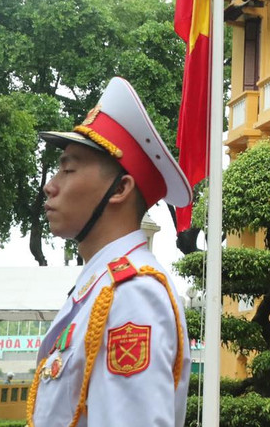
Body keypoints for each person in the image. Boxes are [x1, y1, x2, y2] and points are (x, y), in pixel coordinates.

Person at [28, 77, 192, 427]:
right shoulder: (100, 287)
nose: (50, 186)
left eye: (68, 169)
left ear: (120, 188)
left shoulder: (133, 294)